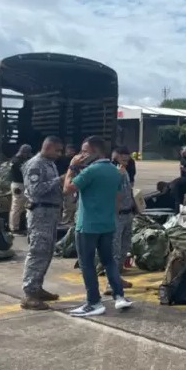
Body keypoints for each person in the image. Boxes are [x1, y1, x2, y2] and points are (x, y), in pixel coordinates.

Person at [64, 136, 132, 317]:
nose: (81, 155)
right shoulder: (115, 171)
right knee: (109, 260)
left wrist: (71, 167)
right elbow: (118, 198)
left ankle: (93, 302)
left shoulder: (91, 171)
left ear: (95, 151)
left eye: (84, 151)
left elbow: (68, 189)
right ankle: (119, 295)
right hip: (107, 224)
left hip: (88, 225)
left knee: (87, 264)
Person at [20, 136, 64, 311]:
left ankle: (37, 288)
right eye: (57, 150)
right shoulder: (35, 164)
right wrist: (58, 181)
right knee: (38, 252)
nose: (59, 154)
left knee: (46, 252)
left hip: (50, 214)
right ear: (48, 147)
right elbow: (35, 190)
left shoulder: (49, 163)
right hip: (40, 214)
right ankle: (29, 294)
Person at [106, 146, 136, 294]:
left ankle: (117, 278)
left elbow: (128, 190)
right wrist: (118, 175)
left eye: (127, 157)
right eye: (123, 157)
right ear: (115, 156)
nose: (126, 159)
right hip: (116, 215)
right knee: (115, 251)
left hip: (128, 213)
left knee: (125, 247)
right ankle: (110, 284)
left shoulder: (126, 171)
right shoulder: (112, 171)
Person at [8, 144, 33, 234]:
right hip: (19, 185)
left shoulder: (14, 159)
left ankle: (18, 226)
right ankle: (14, 228)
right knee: (17, 206)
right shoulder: (17, 161)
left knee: (20, 206)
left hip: (18, 184)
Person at [57, 144, 78, 225]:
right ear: (67, 150)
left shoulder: (74, 159)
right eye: (71, 150)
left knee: (70, 203)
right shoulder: (61, 159)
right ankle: (64, 221)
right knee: (66, 204)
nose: (72, 152)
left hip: (70, 180)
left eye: (73, 151)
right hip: (62, 180)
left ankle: (69, 220)